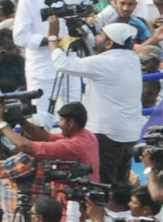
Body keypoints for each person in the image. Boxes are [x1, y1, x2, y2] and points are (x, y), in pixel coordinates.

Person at [47, 20, 144, 184]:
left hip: (106, 135)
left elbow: (62, 64)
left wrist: (52, 37)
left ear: (109, 43)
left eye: (100, 35)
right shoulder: (132, 59)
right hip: (129, 134)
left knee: (103, 186)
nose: (96, 38)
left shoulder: (105, 62)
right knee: (121, 186)